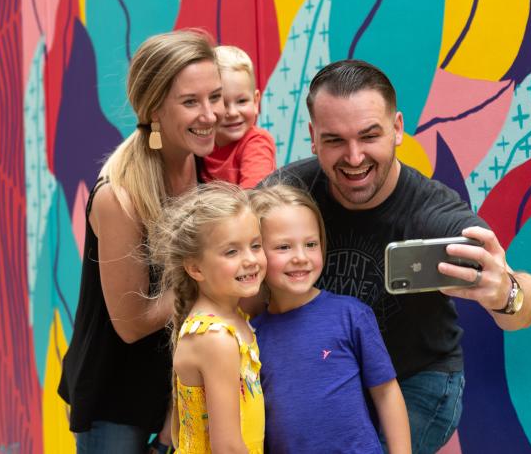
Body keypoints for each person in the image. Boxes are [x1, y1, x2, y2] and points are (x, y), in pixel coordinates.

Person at [265, 60, 531, 454]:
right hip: (328, 375)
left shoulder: (433, 212)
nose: (354, 157)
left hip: (418, 379)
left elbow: (525, 307)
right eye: (335, 140)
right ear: (312, 137)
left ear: (397, 128)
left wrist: (506, 293)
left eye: (369, 135)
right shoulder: (286, 195)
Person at [58, 30, 225, 453]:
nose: (210, 115)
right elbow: (131, 325)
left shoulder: (202, 166)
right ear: (153, 108)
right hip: (117, 398)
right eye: (191, 102)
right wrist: (207, 278)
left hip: (176, 391)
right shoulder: (120, 196)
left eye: (215, 97)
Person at [249, 184, 411, 454]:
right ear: (256, 253)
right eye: (284, 247)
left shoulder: (351, 315)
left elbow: (386, 394)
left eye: (311, 244)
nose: (300, 257)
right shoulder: (250, 337)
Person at [150, 182, 266, 454]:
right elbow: (227, 447)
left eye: (255, 245)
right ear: (195, 268)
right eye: (231, 251)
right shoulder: (216, 338)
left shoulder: (234, 318)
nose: (250, 259)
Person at [202, 45, 276, 188]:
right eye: (223, 103)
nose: (233, 113)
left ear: (255, 102)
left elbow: (254, 196)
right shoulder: (200, 142)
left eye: (242, 101)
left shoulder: (256, 142)